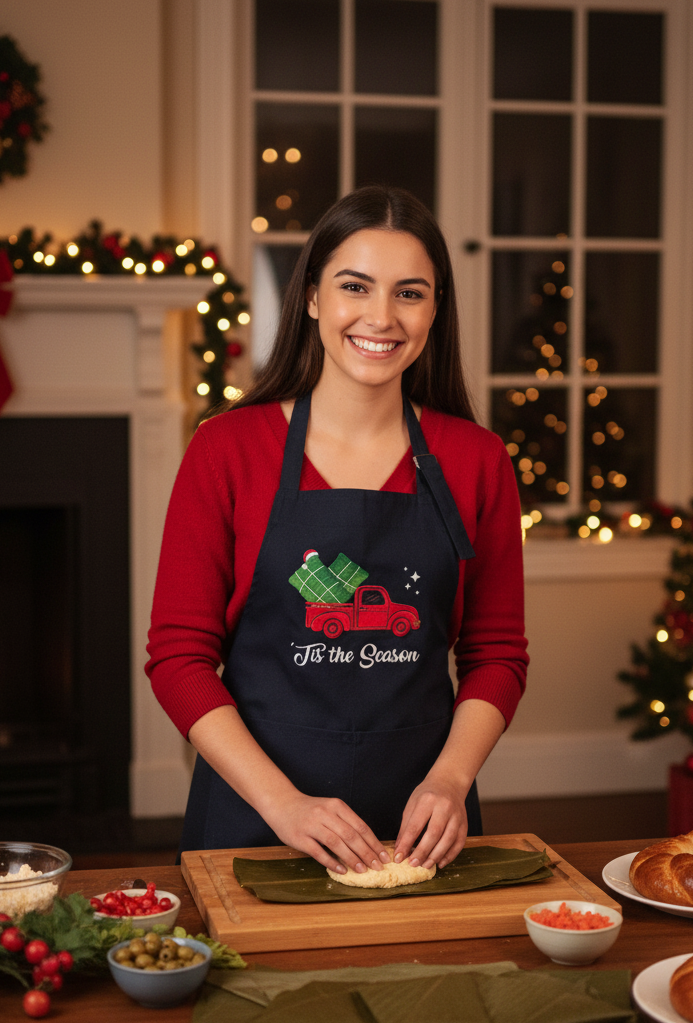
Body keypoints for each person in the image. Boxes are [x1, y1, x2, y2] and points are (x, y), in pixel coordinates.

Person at [146, 185, 528, 878]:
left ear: (436, 309)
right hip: (253, 819)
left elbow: (497, 653)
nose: (382, 316)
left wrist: (449, 781)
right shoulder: (226, 449)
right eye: (356, 286)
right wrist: (285, 804)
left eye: (410, 293)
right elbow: (178, 657)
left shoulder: (478, 460)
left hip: (419, 827)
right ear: (314, 296)